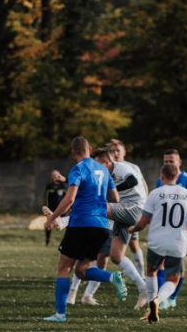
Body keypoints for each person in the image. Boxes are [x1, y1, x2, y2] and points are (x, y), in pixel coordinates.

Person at [42, 137, 128, 322]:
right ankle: (112, 277)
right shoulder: (104, 170)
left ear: (73, 152)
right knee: (81, 270)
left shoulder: (78, 169)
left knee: (64, 268)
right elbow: (115, 199)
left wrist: (52, 218)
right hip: (101, 226)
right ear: (90, 148)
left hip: (81, 224)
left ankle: (60, 314)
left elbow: (69, 199)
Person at [130, 163, 187, 323]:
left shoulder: (155, 193)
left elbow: (143, 222)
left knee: (152, 271)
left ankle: (151, 303)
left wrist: (132, 229)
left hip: (157, 241)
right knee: (173, 279)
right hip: (178, 241)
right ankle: (158, 301)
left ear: (162, 176)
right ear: (177, 176)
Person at [71, 147, 148, 310]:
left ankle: (64, 222)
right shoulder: (103, 173)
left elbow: (133, 181)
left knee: (97, 206)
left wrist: (111, 188)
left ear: (107, 161)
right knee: (116, 256)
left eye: (99, 164)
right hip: (122, 211)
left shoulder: (123, 168)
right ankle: (144, 289)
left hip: (133, 208)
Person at [153, 149, 187, 309]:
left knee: (180, 269)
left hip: (183, 232)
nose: (168, 164)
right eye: (166, 161)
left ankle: (172, 297)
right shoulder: (160, 180)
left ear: (179, 162)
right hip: (163, 231)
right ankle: (160, 299)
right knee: (160, 265)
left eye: (171, 161)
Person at [108, 139, 147, 276]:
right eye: (112, 151)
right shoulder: (108, 167)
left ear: (125, 152)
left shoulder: (132, 167)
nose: (116, 153)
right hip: (117, 209)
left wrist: (146, 210)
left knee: (133, 244)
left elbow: (142, 186)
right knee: (112, 252)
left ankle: (141, 275)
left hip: (131, 210)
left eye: (118, 150)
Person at [44, 170, 67, 246]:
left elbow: (68, 197)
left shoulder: (63, 186)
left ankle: (66, 242)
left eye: (57, 175)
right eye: (54, 175)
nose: (55, 177)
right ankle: (47, 241)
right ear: (51, 177)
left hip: (62, 210)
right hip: (51, 210)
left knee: (67, 225)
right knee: (48, 224)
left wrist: (69, 208)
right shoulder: (49, 185)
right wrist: (46, 208)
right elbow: (46, 197)